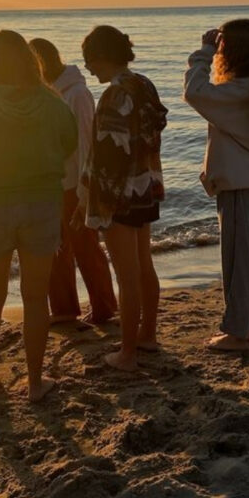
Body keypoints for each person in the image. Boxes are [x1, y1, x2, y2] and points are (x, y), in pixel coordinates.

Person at [0, 30, 78, 403]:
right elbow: (69, 144)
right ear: (28, 59)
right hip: (41, 207)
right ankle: (36, 382)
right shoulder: (53, 104)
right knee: (35, 298)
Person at [183, 19, 249, 351]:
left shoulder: (243, 90)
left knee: (238, 258)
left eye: (225, 46)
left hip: (239, 182)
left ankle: (238, 332)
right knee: (248, 256)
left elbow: (195, 92)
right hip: (245, 179)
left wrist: (204, 54)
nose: (220, 51)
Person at [74, 25, 167, 372]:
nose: (88, 69)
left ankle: (127, 353)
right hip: (147, 185)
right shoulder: (143, 84)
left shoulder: (115, 95)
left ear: (101, 57)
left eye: (89, 61)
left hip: (121, 194)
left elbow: (109, 157)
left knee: (127, 276)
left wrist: (96, 204)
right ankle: (147, 335)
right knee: (144, 267)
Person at [28, 38, 118, 325]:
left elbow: (85, 143)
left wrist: (83, 191)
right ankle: (65, 310)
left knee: (85, 247)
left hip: (73, 183)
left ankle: (104, 307)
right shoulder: (47, 93)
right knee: (55, 248)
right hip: (52, 183)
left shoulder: (76, 93)